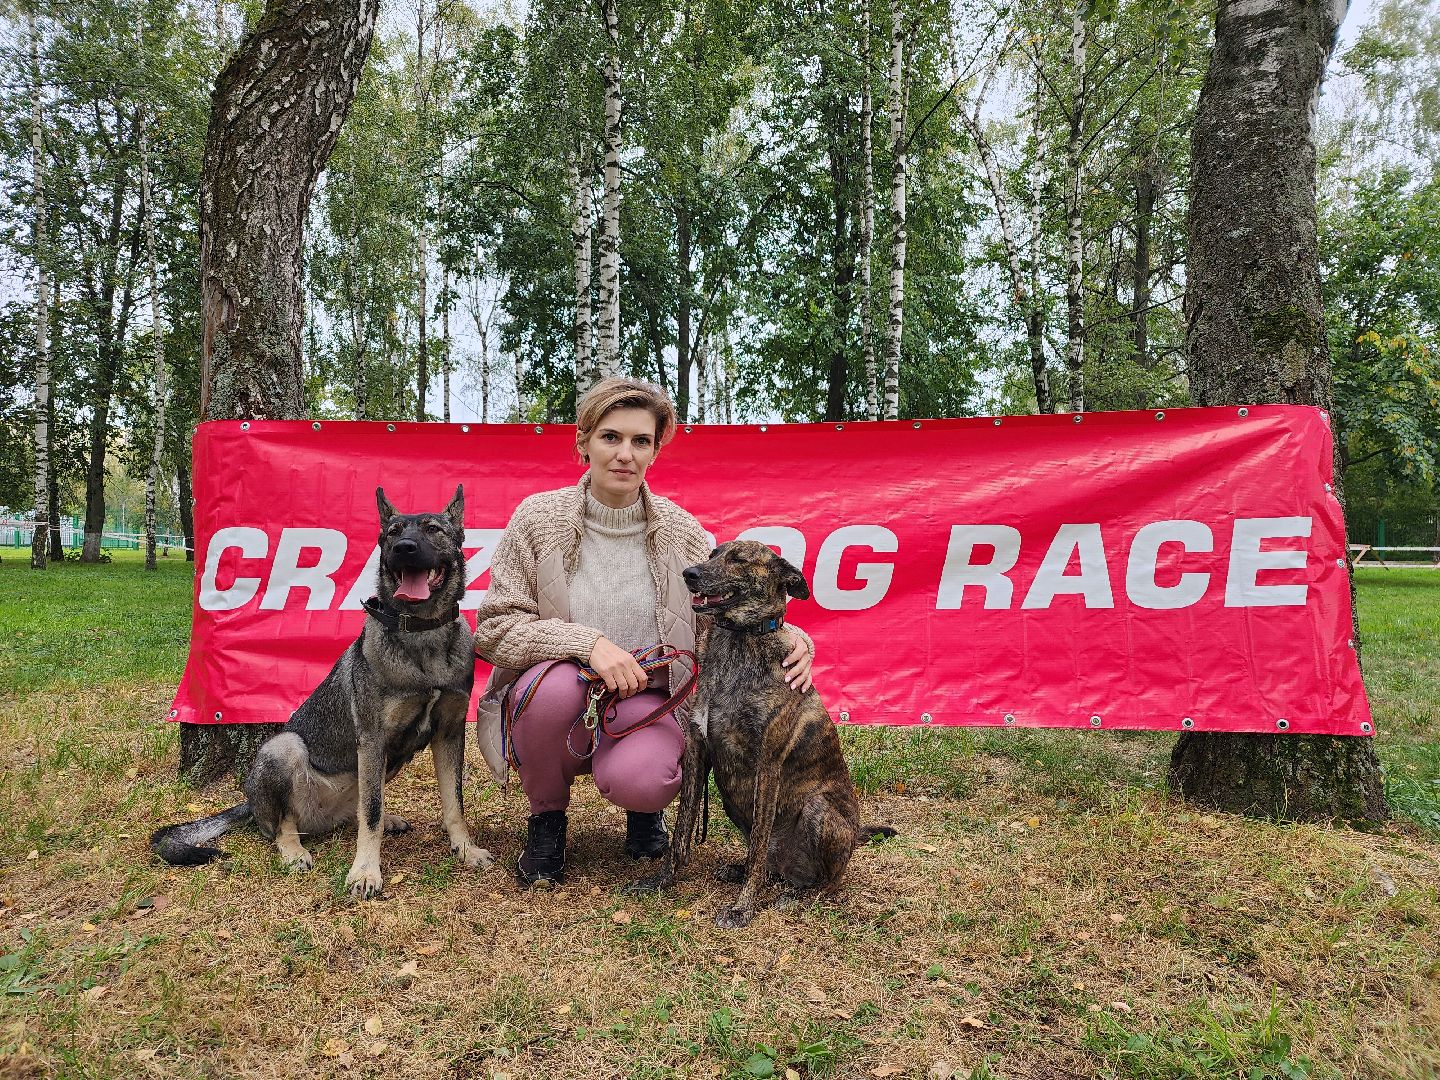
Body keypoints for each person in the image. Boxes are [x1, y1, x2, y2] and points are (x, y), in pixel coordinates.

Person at [472, 377, 815, 886]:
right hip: (557, 695)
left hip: (646, 698)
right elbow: (495, 627)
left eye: (641, 441)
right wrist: (587, 645)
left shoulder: (684, 532)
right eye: (610, 437)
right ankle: (546, 820)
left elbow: (728, 607)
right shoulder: (537, 519)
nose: (624, 454)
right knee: (554, 689)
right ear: (583, 440)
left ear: (656, 451)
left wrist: (793, 637)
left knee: (648, 777)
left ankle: (642, 812)